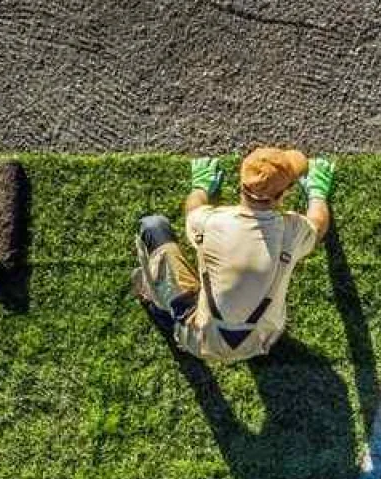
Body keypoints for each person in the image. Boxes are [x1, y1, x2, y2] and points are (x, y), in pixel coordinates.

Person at [132, 147, 334, 361]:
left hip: (200, 340)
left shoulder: (208, 221)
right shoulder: (291, 232)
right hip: (263, 340)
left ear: (241, 183)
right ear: (283, 193)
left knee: (153, 226)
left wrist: (200, 187)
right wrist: (317, 193)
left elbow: (193, 208)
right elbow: (318, 223)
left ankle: (160, 306)